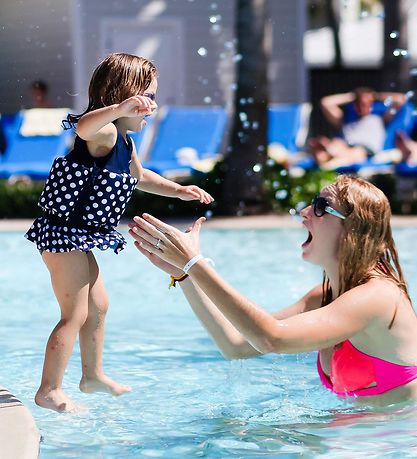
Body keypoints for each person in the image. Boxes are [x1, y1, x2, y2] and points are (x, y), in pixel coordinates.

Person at [24, 52, 214, 413]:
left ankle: (92, 375)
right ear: (124, 96)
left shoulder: (124, 142)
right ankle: (48, 390)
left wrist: (179, 190)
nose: (152, 106)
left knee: (99, 306)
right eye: (148, 97)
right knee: (75, 313)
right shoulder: (105, 131)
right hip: (63, 234)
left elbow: (140, 177)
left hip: (78, 235)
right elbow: (83, 127)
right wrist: (118, 108)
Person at [128, 175, 417, 406]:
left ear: (353, 229)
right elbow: (237, 345)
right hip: (360, 435)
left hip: (396, 442)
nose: (304, 213)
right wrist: (186, 275)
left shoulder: (377, 297)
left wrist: (195, 263)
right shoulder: (323, 297)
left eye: (320, 206)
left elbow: (271, 339)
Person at [309, 88, 406, 169]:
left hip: (365, 150)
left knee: (355, 151)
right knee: (331, 146)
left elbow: (401, 99)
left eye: (364, 104)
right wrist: (351, 96)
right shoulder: (345, 119)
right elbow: (325, 102)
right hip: (344, 146)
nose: (361, 107)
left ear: (370, 104)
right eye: (357, 104)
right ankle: (329, 154)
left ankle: (330, 156)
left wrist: (374, 95)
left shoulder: (379, 119)